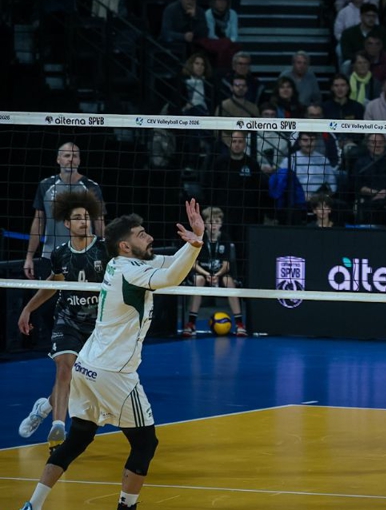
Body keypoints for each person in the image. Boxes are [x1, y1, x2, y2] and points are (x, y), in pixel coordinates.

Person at [18, 200, 206, 510]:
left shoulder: (118, 265)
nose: (149, 237)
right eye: (141, 234)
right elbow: (172, 276)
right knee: (146, 443)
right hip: (114, 374)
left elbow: (168, 263)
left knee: (78, 439)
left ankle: (33, 505)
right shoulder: (132, 272)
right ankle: (126, 506)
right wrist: (196, 246)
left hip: (87, 364)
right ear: (125, 245)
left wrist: (195, 241)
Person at [16, 191, 107, 448]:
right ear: (66, 223)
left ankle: (43, 408)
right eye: (77, 218)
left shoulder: (104, 249)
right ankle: (58, 428)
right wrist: (27, 310)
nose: (83, 222)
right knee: (65, 369)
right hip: (67, 319)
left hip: (97, 325)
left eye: (86, 217)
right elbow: (53, 285)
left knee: (78, 377)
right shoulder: (59, 254)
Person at [24, 144, 107, 280]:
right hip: (51, 255)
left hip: (85, 256)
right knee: (49, 298)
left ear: (79, 160)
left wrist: (106, 254)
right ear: (58, 159)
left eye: (75, 156)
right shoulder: (45, 186)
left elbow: (100, 224)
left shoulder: (91, 187)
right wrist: (29, 257)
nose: (71, 159)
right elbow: (38, 222)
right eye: (67, 155)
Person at [181, 206, 246, 338]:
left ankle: (239, 324)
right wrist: (206, 274)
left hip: (219, 275)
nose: (213, 225)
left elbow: (227, 265)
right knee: (198, 280)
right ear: (205, 224)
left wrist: (216, 275)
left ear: (221, 224)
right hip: (202, 274)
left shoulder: (225, 239)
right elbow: (194, 264)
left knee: (229, 281)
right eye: (210, 222)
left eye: (216, 222)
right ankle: (191, 324)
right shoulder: (200, 238)